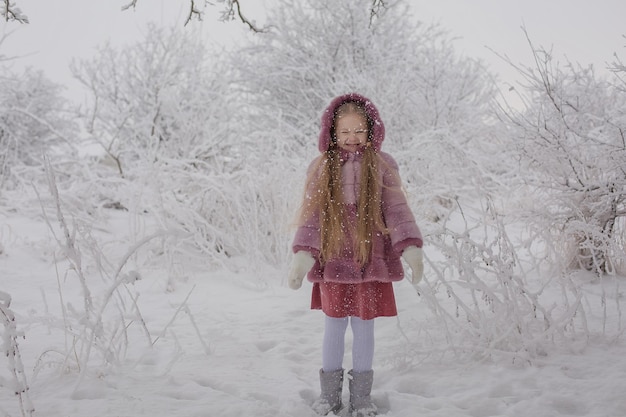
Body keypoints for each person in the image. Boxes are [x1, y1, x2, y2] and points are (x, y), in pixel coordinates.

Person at [288, 93, 424, 417]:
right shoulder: (322, 168)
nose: (352, 138)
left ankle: (362, 398)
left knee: (364, 328)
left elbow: (396, 209)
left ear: (371, 131)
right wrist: (303, 255)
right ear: (332, 132)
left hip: (369, 263)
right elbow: (313, 216)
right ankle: (329, 397)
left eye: (359, 131)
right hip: (334, 263)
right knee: (334, 327)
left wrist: (411, 247)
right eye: (345, 131)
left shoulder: (382, 165)